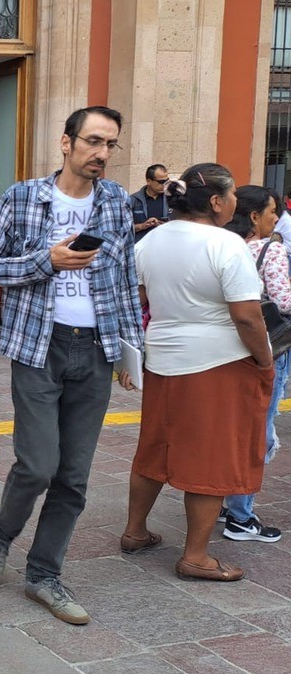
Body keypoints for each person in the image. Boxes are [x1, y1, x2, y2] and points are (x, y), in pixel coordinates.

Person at [0, 106, 144, 624]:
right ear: (65, 143)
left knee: (74, 475)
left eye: (111, 144)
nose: (102, 154)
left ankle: (44, 574)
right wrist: (47, 260)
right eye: (93, 141)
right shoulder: (24, 197)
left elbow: (124, 277)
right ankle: (1, 535)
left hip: (95, 348)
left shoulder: (115, 201)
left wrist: (130, 351)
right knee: (39, 464)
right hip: (38, 346)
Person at [122, 165, 273, 582]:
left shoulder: (151, 240)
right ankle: (196, 556)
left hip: (163, 357)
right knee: (211, 455)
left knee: (155, 445)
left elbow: (136, 302)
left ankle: (135, 531)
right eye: (233, 195)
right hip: (218, 362)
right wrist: (264, 359)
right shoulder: (226, 244)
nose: (236, 203)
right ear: (215, 201)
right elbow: (247, 317)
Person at [217, 186, 287, 544]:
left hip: (228, 352)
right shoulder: (271, 249)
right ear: (255, 216)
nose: (278, 218)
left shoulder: (223, 247)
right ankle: (240, 515)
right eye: (273, 211)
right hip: (267, 350)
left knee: (234, 428)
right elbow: (285, 302)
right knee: (259, 432)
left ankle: (221, 501)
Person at [128, 163, 170, 242]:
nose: (165, 184)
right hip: (141, 247)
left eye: (167, 181)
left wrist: (165, 225)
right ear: (149, 181)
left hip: (165, 245)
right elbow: (123, 229)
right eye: (161, 182)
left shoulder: (171, 199)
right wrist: (142, 226)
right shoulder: (133, 200)